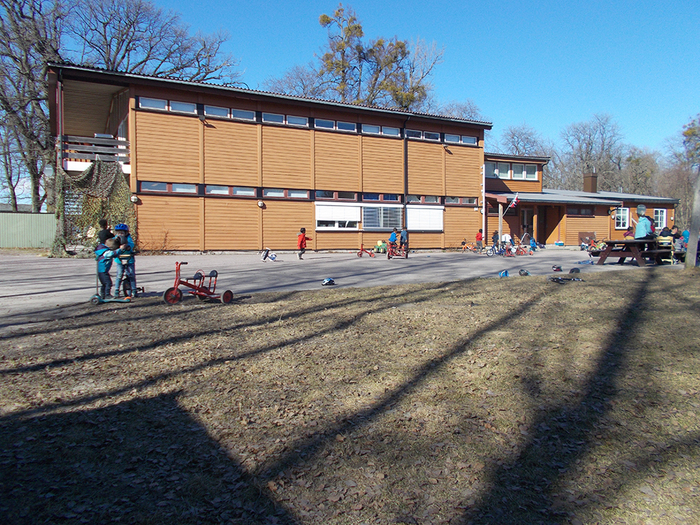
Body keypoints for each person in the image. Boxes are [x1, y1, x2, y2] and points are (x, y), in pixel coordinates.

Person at [113, 223, 137, 298]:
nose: (120, 234)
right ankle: (116, 290)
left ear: (126, 233)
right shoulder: (116, 238)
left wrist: (128, 247)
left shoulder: (128, 238)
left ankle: (133, 290)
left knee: (131, 274)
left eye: (122, 232)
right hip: (119, 260)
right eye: (118, 232)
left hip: (129, 259)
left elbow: (131, 244)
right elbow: (113, 245)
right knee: (119, 275)